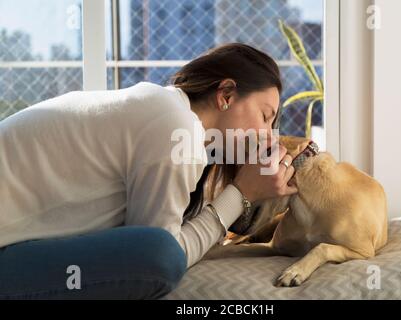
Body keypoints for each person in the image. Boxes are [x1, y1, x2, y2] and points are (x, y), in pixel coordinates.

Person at [0, 43, 298, 299]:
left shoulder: (162, 108)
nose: (267, 135)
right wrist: (242, 194)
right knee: (161, 256)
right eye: (264, 116)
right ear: (227, 94)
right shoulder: (174, 127)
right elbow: (151, 254)